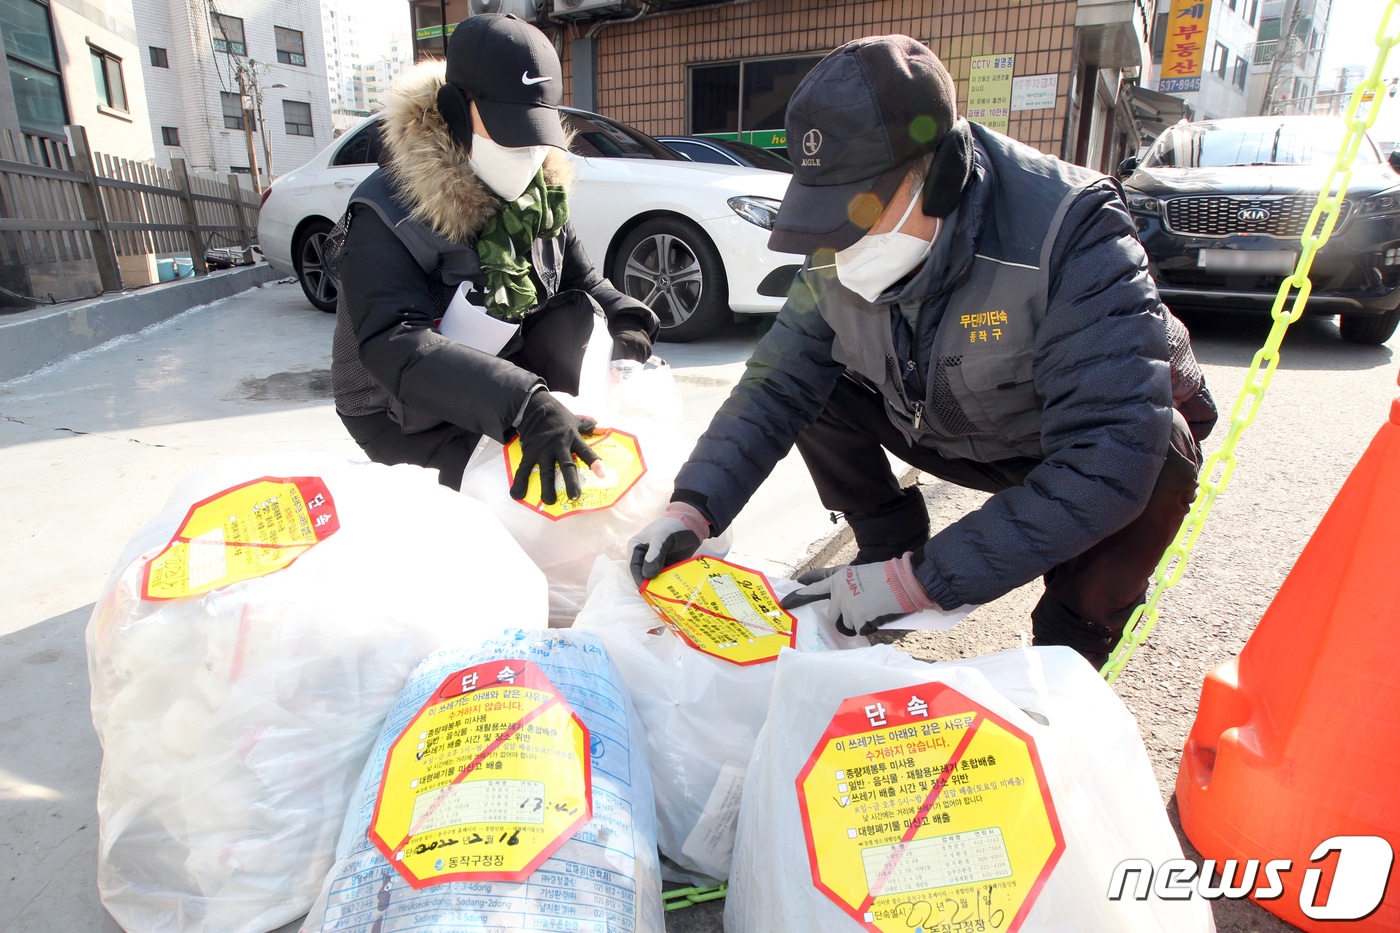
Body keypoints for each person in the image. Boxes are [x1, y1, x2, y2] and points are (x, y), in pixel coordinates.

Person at [629, 36, 1217, 669]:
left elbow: (1109, 452)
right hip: (935, 417)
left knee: (1156, 456)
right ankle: (887, 540)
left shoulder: (1074, 228)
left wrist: (926, 582)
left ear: (939, 178)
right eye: (828, 223)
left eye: (858, 218)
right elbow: (775, 385)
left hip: (1045, 444)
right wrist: (695, 505)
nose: (839, 252)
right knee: (810, 383)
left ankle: (1070, 644)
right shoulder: (838, 253)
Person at [331, 14, 658, 498]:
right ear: (456, 112)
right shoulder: (389, 209)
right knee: (502, 512)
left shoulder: (539, 193)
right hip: (401, 410)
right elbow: (395, 344)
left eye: (536, 132)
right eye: (510, 131)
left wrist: (625, 317)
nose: (527, 154)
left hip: (499, 377)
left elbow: (580, 278)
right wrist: (525, 404)